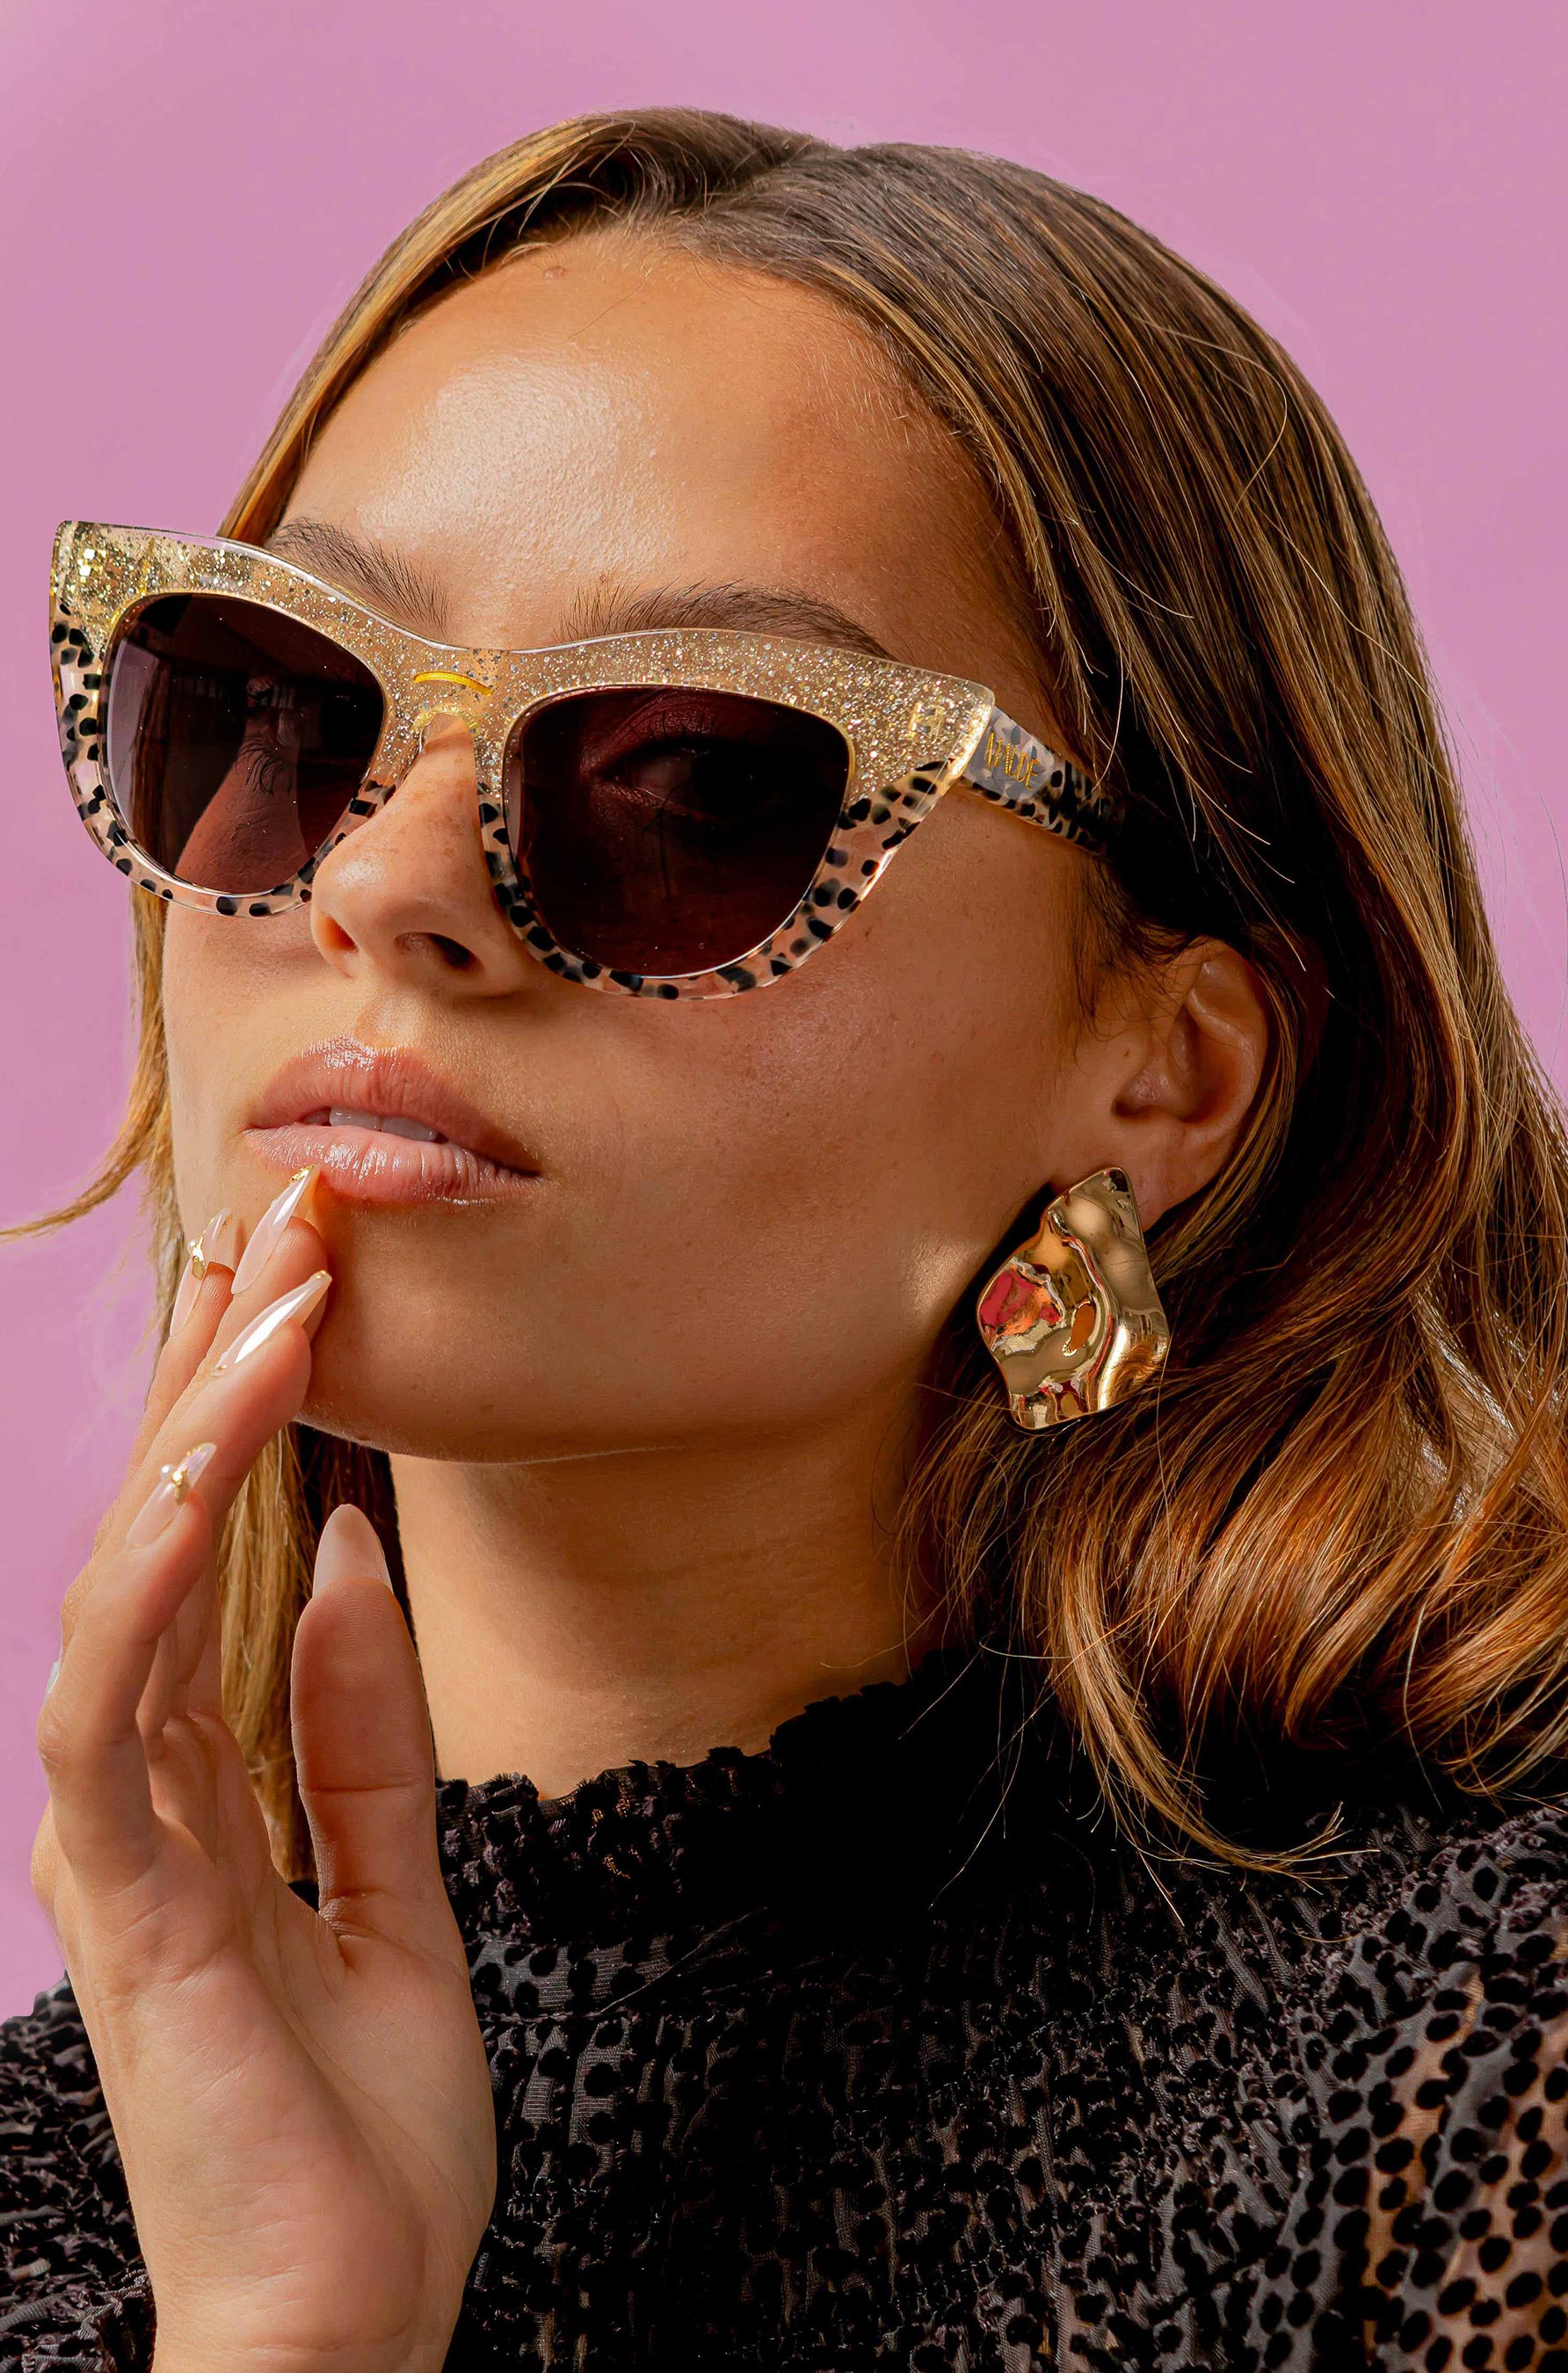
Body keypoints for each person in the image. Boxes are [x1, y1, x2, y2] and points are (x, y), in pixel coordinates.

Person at [4, 102, 1566, 2373]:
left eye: (699, 777)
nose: (383, 884)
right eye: (295, 709)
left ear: (1167, 1073)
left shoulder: (1485, 2060)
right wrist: (290, 2332)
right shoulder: (60, 2212)